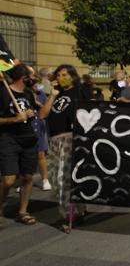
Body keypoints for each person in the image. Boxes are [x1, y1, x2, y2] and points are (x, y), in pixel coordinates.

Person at [0, 64, 57, 225]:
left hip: (29, 139)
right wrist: (13, 119)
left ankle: (23, 211)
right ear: (23, 77)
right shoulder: (3, 92)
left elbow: (40, 115)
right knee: (9, 180)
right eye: (31, 76)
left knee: (28, 177)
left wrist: (33, 113)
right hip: (9, 139)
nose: (34, 79)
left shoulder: (27, 93)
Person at [45, 64, 88, 230]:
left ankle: (71, 214)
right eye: (58, 75)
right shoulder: (57, 94)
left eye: (64, 75)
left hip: (70, 139)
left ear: (72, 76)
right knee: (56, 178)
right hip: (55, 140)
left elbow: (88, 111)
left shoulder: (79, 91)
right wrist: (52, 95)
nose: (60, 78)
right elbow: (43, 114)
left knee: (66, 178)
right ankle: (79, 209)